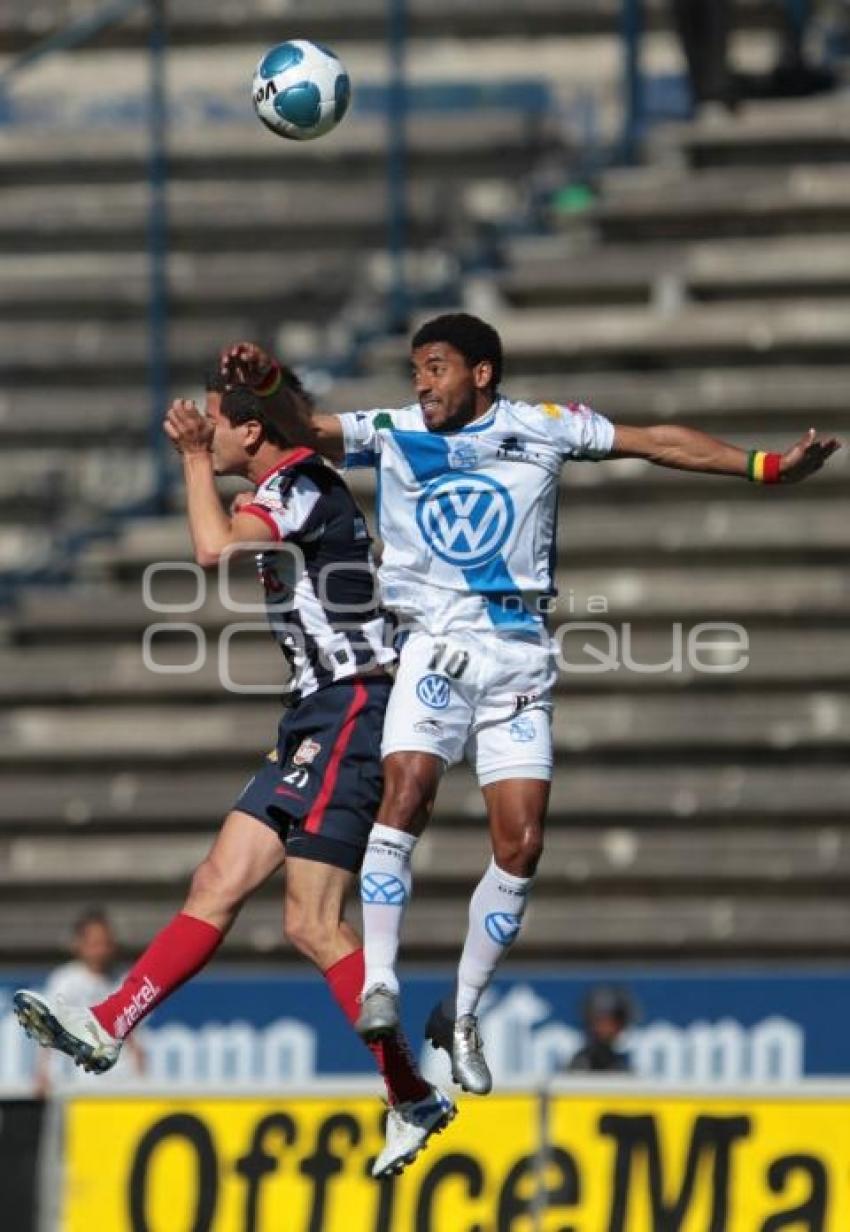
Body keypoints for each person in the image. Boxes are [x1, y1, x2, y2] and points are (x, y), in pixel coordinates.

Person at [220, 315, 838, 1098]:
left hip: (518, 653)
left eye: (436, 368)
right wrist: (270, 380)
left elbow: (656, 441)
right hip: (433, 643)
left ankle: (463, 1013)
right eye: (416, 369)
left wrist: (764, 466)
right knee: (406, 786)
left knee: (522, 845)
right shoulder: (398, 430)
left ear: (481, 373)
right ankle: (380, 980)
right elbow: (303, 427)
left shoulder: (545, 428)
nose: (421, 384)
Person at [14, 372, 454, 1178]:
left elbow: (213, 547)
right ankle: (112, 1022)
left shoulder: (297, 483)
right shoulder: (295, 484)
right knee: (217, 880)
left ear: (251, 434)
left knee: (313, 922)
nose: (206, 433)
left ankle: (409, 1091)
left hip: (353, 709)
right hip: (312, 715)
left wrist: (187, 460)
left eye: (215, 423)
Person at [33, 909, 144, 1095]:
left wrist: (139, 1067)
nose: (101, 950)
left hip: (120, 1079)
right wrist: (42, 1072)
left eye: (106, 943)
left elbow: (132, 1031)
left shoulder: (124, 979)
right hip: (77, 1080)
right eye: (95, 944)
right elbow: (48, 1028)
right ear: (79, 944)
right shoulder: (65, 980)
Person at [564, 986, 634, 1074]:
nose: (607, 1028)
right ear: (590, 1023)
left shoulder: (621, 1064)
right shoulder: (580, 1064)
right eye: (600, 1021)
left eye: (612, 1023)